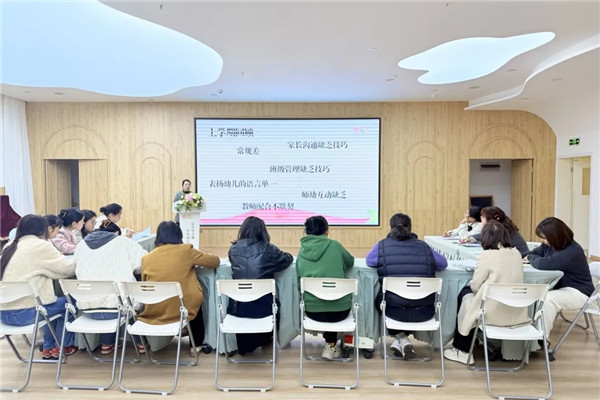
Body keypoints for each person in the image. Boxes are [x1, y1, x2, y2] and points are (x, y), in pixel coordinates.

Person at [444, 220, 528, 364]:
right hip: (516, 313)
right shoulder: (516, 253)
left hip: (491, 313)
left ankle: (462, 349)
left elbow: (476, 286)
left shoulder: (486, 255)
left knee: (465, 296)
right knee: (471, 300)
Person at [366, 213, 448, 359]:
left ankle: (400, 337)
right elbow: (443, 264)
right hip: (424, 310)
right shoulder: (424, 246)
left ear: (390, 228)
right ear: (411, 228)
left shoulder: (382, 246)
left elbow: (369, 261)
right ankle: (402, 339)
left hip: (393, 311)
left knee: (379, 299)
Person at [0, 214, 77, 360]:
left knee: (48, 304)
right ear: (43, 230)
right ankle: (61, 346)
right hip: (26, 314)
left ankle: (48, 346)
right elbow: (66, 269)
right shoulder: (41, 246)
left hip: (3, 314)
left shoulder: (8, 247)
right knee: (70, 302)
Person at [137, 221, 220, 354]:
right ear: (179, 235)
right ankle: (196, 345)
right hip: (184, 308)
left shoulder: (146, 258)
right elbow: (214, 261)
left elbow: (145, 282)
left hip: (156, 308)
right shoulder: (186, 250)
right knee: (195, 301)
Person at [74, 223, 148, 354]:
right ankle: (140, 342)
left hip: (88, 309)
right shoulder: (124, 242)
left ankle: (107, 343)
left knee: (109, 298)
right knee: (128, 299)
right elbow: (143, 264)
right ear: (116, 233)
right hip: (120, 309)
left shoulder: (81, 246)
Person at [228, 216, 293, 355]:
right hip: (264, 308)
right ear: (263, 231)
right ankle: (266, 338)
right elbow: (287, 259)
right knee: (276, 303)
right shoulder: (269, 249)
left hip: (238, 307)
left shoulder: (233, 250)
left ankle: (246, 346)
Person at [296, 215, 355, 360]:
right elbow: (350, 262)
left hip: (313, 312)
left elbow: (299, 285)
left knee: (323, 300)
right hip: (340, 311)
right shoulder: (335, 246)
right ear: (326, 231)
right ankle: (331, 344)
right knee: (332, 300)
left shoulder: (301, 253)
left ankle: (331, 344)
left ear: (306, 231)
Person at [526, 217, 594, 341]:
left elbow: (543, 264)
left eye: (544, 238)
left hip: (578, 291)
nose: (542, 241)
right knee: (533, 293)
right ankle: (530, 331)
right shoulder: (550, 245)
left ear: (555, 236)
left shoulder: (572, 251)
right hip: (562, 286)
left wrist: (530, 258)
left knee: (548, 299)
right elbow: (533, 253)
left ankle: (541, 339)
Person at [463, 206, 529, 257]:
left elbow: (491, 244)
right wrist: (472, 238)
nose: (481, 220)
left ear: (490, 220)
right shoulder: (500, 227)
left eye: (483, 217)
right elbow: (481, 236)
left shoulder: (502, 231)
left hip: (520, 259)